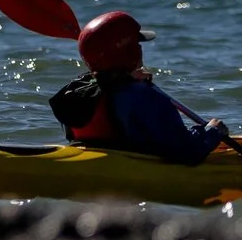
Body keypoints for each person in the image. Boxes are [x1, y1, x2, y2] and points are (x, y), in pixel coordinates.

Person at [48, 10, 229, 164]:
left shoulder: (76, 93)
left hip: (96, 164)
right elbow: (187, 153)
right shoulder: (143, 95)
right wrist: (212, 131)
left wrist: (125, 79)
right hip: (136, 170)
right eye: (138, 44)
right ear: (130, 52)